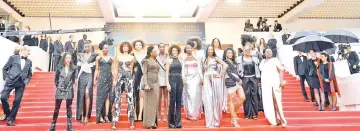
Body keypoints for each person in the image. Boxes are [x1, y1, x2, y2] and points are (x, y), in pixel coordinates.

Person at [0, 45, 32, 126]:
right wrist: (6, 78)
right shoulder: (13, 58)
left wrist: (26, 81)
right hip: (10, 81)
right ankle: (7, 113)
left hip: (21, 83)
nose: (29, 52)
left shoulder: (29, 62)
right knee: (3, 97)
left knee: (17, 101)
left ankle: (11, 119)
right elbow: (5, 69)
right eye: (28, 50)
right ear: (23, 50)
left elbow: (29, 74)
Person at [47, 52, 76, 131]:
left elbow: (73, 79)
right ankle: (53, 126)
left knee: (69, 108)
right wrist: (59, 86)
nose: (68, 59)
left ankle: (69, 126)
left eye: (70, 58)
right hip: (60, 89)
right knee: (57, 108)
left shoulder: (73, 68)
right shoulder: (59, 67)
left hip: (69, 89)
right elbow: (56, 79)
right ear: (64, 58)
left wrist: (69, 85)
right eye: (67, 58)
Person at [259, 48, 287, 127]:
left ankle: (282, 120)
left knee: (276, 100)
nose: (269, 53)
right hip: (265, 84)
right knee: (268, 102)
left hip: (274, 82)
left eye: (270, 51)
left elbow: (281, 70)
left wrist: (281, 82)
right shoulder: (262, 62)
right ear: (264, 53)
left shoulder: (275, 60)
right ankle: (275, 120)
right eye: (267, 52)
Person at [112, 42, 135, 130]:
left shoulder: (132, 57)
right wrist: (114, 80)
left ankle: (131, 121)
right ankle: (114, 122)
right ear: (122, 48)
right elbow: (116, 69)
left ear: (129, 48)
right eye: (124, 46)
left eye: (127, 46)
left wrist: (131, 80)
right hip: (119, 77)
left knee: (130, 99)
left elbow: (131, 70)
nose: (125, 47)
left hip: (129, 78)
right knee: (117, 99)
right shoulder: (118, 57)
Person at [202, 45, 227, 128]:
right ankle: (210, 121)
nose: (210, 51)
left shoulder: (216, 58)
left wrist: (220, 75)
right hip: (206, 79)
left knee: (215, 99)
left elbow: (225, 65)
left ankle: (216, 120)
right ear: (207, 50)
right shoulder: (204, 59)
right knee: (208, 99)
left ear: (213, 51)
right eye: (209, 49)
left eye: (211, 50)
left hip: (215, 79)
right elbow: (202, 70)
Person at [236, 45, 260, 120]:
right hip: (244, 78)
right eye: (246, 50)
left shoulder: (255, 59)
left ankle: (254, 114)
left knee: (254, 96)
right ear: (243, 50)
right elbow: (237, 70)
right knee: (246, 97)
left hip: (254, 78)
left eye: (249, 50)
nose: (248, 51)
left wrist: (259, 80)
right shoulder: (239, 59)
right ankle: (247, 114)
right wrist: (238, 79)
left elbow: (259, 70)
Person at [223, 48, 245, 127]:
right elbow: (229, 73)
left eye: (231, 53)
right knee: (231, 100)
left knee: (242, 97)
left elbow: (236, 72)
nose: (230, 54)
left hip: (237, 81)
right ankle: (233, 119)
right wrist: (238, 79)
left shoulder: (234, 61)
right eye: (228, 53)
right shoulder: (225, 62)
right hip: (231, 81)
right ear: (225, 54)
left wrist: (238, 79)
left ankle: (233, 113)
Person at [76, 42, 96, 124]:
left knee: (87, 94)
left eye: (88, 46)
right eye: (85, 46)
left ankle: (87, 115)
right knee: (81, 96)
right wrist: (76, 78)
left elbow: (96, 67)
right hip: (82, 76)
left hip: (90, 75)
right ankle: (82, 115)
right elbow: (78, 67)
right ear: (84, 47)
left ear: (91, 47)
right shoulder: (80, 55)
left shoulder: (94, 55)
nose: (87, 47)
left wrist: (95, 79)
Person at [94, 44, 113, 123]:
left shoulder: (111, 58)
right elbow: (96, 69)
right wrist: (94, 79)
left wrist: (114, 79)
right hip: (101, 78)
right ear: (102, 49)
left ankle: (106, 115)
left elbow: (112, 69)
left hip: (109, 78)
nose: (106, 49)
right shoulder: (98, 58)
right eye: (104, 48)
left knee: (108, 97)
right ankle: (100, 116)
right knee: (101, 97)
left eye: (107, 48)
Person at [182, 43, 203, 121]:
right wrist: (183, 79)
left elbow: (199, 68)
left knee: (196, 96)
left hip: (196, 78)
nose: (189, 49)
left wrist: (201, 78)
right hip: (188, 79)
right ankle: (190, 114)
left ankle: (196, 114)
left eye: (190, 48)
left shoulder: (197, 57)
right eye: (187, 48)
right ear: (185, 49)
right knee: (189, 96)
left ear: (192, 49)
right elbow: (182, 70)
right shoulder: (183, 58)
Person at [142, 46, 160, 129]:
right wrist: (146, 84)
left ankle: (153, 122)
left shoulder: (156, 61)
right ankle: (149, 124)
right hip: (149, 84)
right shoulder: (146, 61)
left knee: (154, 104)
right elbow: (144, 73)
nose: (156, 52)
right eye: (155, 51)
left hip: (156, 83)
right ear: (150, 53)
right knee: (148, 104)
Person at [166, 44, 183, 128]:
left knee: (179, 102)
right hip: (172, 80)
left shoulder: (181, 60)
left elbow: (183, 71)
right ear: (171, 52)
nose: (175, 52)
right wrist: (167, 84)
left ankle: (178, 123)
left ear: (178, 51)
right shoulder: (169, 60)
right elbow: (166, 73)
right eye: (173, 51)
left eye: (176, 51)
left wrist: (184, 80)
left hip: (180, 80)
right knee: (172, 102)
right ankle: (171, 123)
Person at [131, 39, 146, 122]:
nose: (138, 46)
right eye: (136, 45)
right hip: (134, 77)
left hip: (143, 77)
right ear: (134, 46)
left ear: (142, 46)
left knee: (142, 96)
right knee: (134, 96)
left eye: (140, 45)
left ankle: (140, 114)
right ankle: (134, 115)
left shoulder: (146, 55)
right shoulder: (131, 55)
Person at [156, 43, 169, 122]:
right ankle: (159, 115)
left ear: (165, 48)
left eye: (163, 47)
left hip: (166, 77)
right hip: (158, 78)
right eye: (160, 47)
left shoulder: (169, 56)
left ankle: (165, 115)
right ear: (158, 48)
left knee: (166, 98)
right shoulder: (155, 56)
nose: (162, 48)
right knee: (159, 98)